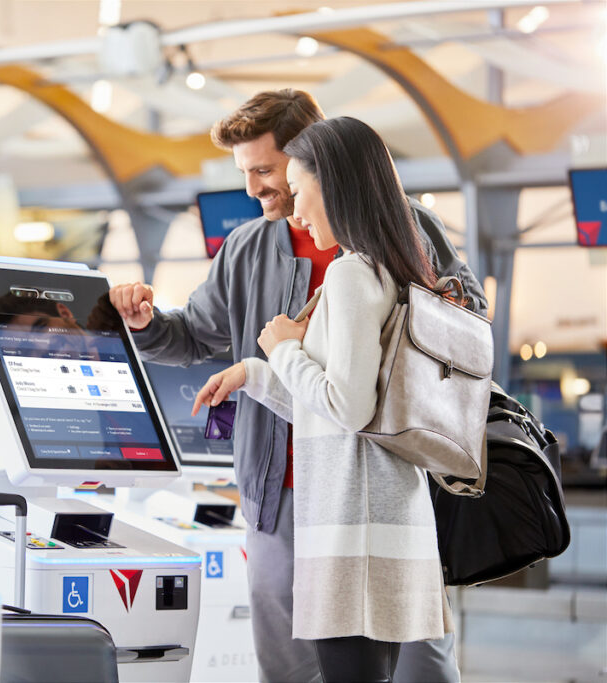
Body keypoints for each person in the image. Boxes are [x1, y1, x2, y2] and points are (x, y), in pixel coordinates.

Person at [108, 90, 486, 683]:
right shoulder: (246, 248)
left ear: (313, 155)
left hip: (379, 481)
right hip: (278, 487)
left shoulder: (401, 231)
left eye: (266, 169)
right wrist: (147, 324)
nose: (255, 188)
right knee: (295, 666)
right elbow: (193, 337)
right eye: (245, 173)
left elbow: (465, 325)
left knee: (421, 662)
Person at [193, 116, 454, 682]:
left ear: (330, 184)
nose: (296, 210)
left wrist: (285, 349)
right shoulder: (390, 268)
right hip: (383, 522)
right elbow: (343, 414)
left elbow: (349, 408)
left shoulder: (350, 276)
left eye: (297, 184)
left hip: (350, 531)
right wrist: (255, 375)